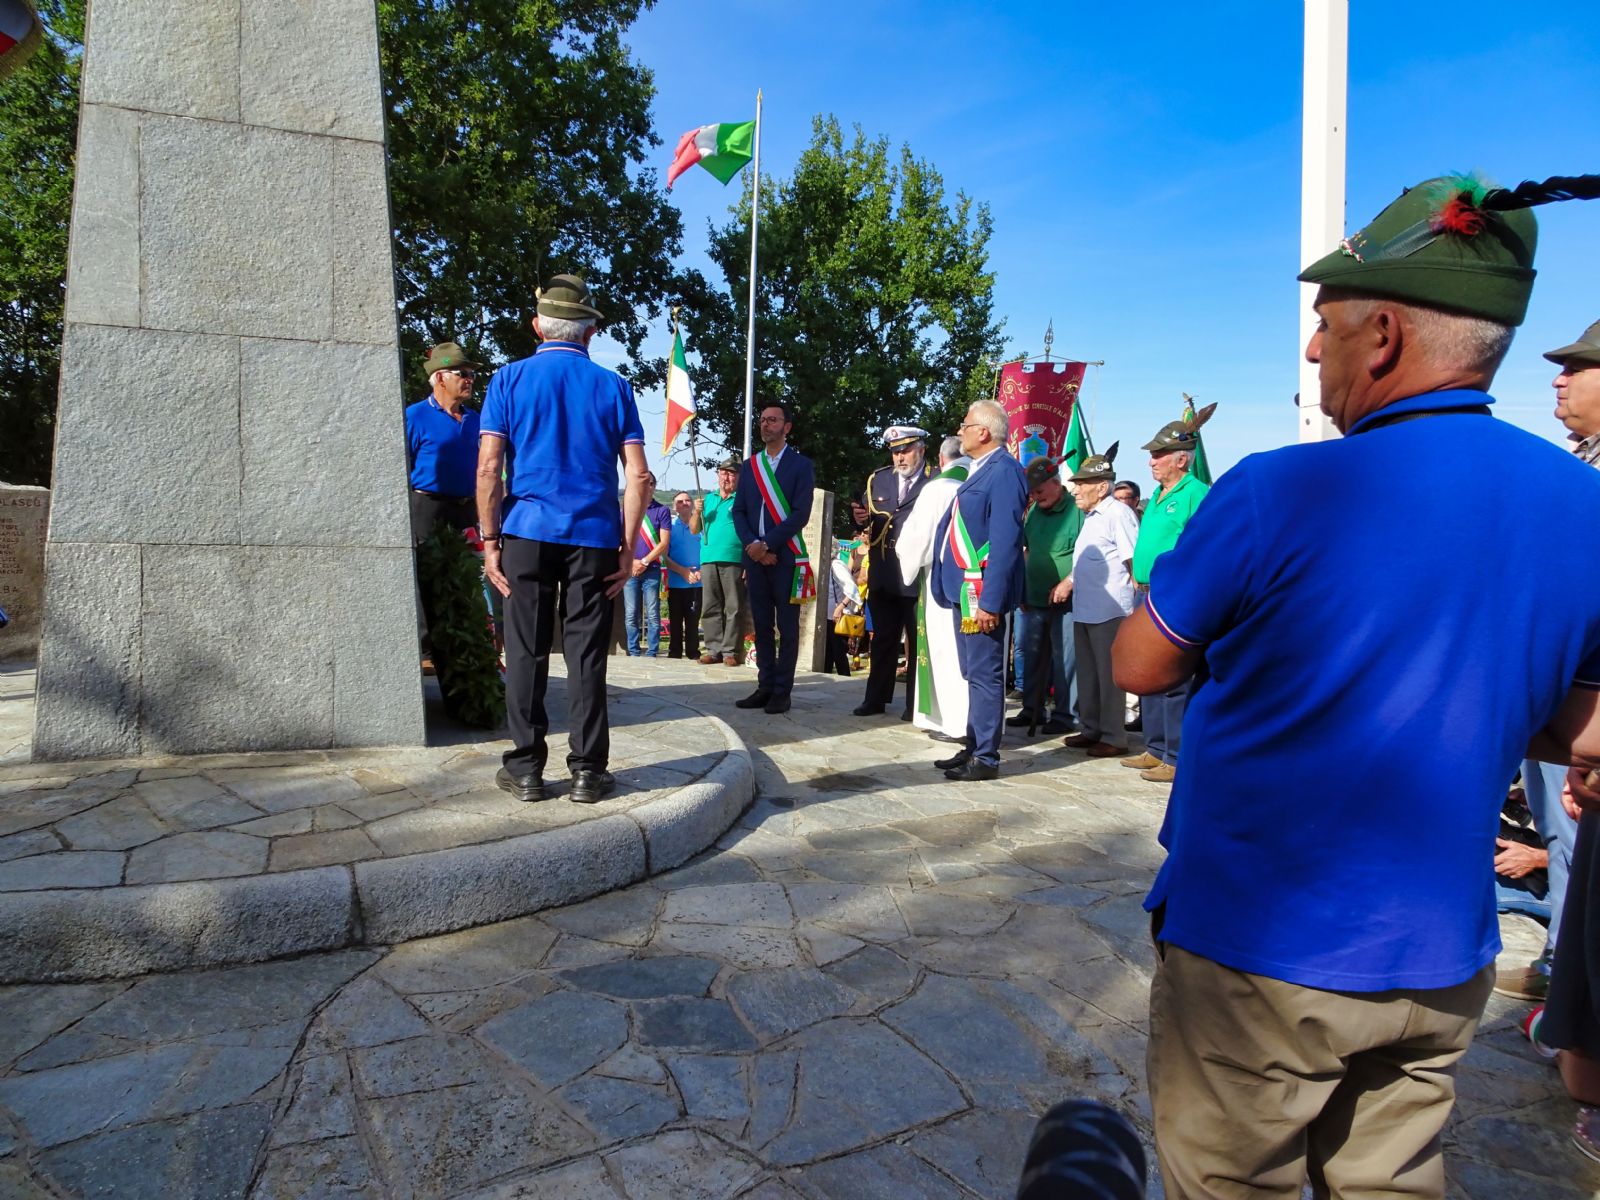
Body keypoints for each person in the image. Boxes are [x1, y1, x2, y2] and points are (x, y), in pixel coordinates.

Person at [1112, 176, 1600, 1198]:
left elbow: (1140, 665)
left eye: (1324, 323)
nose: (1309, 349)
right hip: (1440, 955)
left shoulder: (1280, 488)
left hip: (1261, 944)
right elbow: (1584, 728)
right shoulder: (1583, 504)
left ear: (1382, 336)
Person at [477, 274, 650, 806]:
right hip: (593, 537)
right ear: (590, 332)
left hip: (526, 531)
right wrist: (628, 547)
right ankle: (587, 772)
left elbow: (489, 468)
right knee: (587, 655)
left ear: (537, 326)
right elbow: (639, 476)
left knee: (525, 651)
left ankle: (527, 769)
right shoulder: (614, 387)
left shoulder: (508, 379)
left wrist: (489, 541)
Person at [1529, 317, 1600, 1156]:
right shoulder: (1581, 466)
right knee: (1566, 846)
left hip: (1586, 710)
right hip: (1566, 710)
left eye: (1578, 368)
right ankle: (1565, 983)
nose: (1558, 379)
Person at [930, 400, 1027, 781]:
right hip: (964, 592)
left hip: (981, 594)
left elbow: (1005, 541)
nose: (960, 429)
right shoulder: (981, 467)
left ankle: (986, 756)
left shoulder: (1004, 471)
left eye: (966, 424)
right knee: (973, 672)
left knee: (985, 675)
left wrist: (990, 602)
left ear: (983, 432)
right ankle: (974, 745)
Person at [1120, 409, 1213, 783]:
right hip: (1146, 593)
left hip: (1174, 594)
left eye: (1158, 455)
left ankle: (1176, 756)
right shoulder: (1158, 495)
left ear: (1181, 459)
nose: (1151, 461)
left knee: (1173, 678)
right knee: (1150, 672)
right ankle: (1155, 747)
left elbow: (1204, 546)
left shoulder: (1197, 494)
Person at [732, 403, 815, 714]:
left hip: (786, 558)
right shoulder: (750, 466)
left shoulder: (801, 465)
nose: (766, 425)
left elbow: (800, 514)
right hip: (755, 559)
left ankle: (782, 691)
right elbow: (739, 511)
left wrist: (767, 545)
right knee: (762, 624)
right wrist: (753, 545)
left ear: (787, 427)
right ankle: (765, 686)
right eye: (763, 420)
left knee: (788, 628)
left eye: (773, 420)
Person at [1060, 447, 1139, 758]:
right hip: (1086, 608)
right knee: (1089, 675)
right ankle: (1091, 728)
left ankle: (1114, 736)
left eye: (1082, 484)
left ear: (1102, 487)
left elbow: (1133, 561)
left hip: (1110, 611)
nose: (1075, 490)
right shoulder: (1092, 517)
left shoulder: (1118, 514)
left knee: (1108, 677)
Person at [855, 426, 935, 719]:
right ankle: (875, 699)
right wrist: (858, 517)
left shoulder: (935, 480)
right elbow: (866, 517)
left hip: (916, 576)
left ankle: (915, 704)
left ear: (921, 449)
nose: (900, 457)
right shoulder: (879, 479)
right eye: (895, 452)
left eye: (906, 450)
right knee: (883, 640)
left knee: (917, 642)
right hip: (884, 571)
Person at [897, 435, 972, 742]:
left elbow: (915, 541)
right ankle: (977, 724)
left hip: (944, 582)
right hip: (980, 582)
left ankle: (954, 724)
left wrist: (907, 561)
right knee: (974, 656)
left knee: (947, 652)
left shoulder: (938, 488)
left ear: (941, 459)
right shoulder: (983, 479)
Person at [1012, 456, 1082, 735]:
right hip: (1034, 597)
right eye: (1032, 491)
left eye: (1039, 490)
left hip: (1066, 601)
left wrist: (1068, 583)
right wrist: (1021, 586)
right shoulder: (1034, 511)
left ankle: (1065, 715)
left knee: (1065, 659)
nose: (1035, 495)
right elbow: (1026, 550)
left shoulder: (1077, 511)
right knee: (1032, 654)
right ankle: (1032, 709)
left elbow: (1087, 555)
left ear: (1056, 483)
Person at [405, 342, 482, 545]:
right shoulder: (414, 416)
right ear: (440, 378)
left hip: (466, 512)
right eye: (462, 374)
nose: (469, 380)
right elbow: (400, 470)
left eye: (472, 375)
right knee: (428, 564)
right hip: (427, 511)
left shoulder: (476, 420)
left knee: (471, 565)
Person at [692, 457, 746, 666]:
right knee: (710, 606)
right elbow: (694, 529)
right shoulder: (708, 499)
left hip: (734, 558)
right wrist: (697, 511)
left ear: (739, 477)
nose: (726, 477)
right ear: (718, 475)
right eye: (723, 473)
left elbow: (751, 530)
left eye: (731, 473)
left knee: (733, 607)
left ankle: (730, 651)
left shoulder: (743, 499)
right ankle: (713, 650)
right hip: (708, 558)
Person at [621, 476, 671, 657]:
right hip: (630, 570)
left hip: (651, 569)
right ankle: (633, 651)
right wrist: (632, 561)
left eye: (650, 483)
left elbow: (664, 543)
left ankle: (652, 652)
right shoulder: (626, 510)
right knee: (631, 613)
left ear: (654, 486)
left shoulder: (662, 510)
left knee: (653, 613)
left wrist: (644, 561)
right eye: (643, 483)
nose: (647, 486)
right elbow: (620, 540)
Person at [663, 491, 703, 660]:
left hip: (698, 583)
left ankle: (693, 653)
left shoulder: (702, 526)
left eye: (687, 500)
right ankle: (674, 653)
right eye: (680, 501)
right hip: (675, 583)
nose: (684, 503)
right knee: (675, 621)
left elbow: (708, 551)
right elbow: (665, 557)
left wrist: (701, 571)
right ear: (674, 507)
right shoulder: (669, 527)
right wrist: (683, 571)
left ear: (693, 504)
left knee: (693, 621)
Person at [826, 537, 861, 677]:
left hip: (836, 618)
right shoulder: (827, 564)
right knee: (827, 654)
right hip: (827, 617)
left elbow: (852, 589)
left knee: (839, 654)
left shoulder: (836, 565)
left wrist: (840, 607)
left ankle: (845, 681)